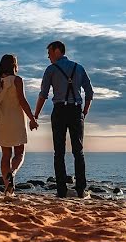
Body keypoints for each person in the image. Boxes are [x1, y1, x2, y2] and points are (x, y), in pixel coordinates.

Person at [34, 40, 94, 198]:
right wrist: (85, 111)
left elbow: (43, 94)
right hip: (76, 111)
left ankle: (61, 190)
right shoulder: (79, 68)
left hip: (60, 111)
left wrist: (36, 114)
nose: (48, 57)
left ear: (57, 50)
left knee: (58, 152)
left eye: (49, 53)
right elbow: (89, 92)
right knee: (78, 151)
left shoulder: (51, 70)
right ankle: (81, 189)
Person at [0, 54, 39, 195]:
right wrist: (32, 119)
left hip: (2, 121)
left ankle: (7, 187)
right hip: (16, 119)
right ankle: (13, 173)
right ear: (14, 65)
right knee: (20, 153)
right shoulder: (17, 80)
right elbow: (22, 101)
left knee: (5, 154)